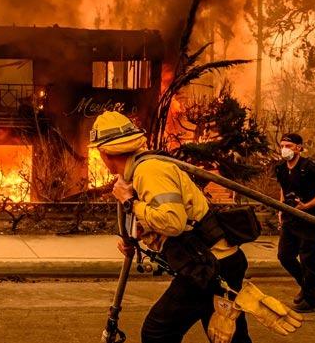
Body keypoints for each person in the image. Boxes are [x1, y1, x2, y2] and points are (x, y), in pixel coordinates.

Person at [89, 111, 252, 343]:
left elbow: (172, 222)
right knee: (228, 336)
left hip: (211, 264)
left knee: (158, 332)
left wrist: (129, 202)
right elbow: (162, 217)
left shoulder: (149, 171)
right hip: (214, 261)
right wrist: (136, 237)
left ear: (104, 152)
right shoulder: (136, 173)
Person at [274, 133, 315, 312]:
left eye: (289, 146)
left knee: (308, 259)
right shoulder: (281, 169)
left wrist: (306, 206)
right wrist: (280, 210)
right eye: (282, 145)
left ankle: (311, 300)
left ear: (299, 147)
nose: (285, 149)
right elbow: (284, 190)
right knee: (285, 256)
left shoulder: (310, 168)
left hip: (311, 220)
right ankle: (306, 287)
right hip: (290, 219)